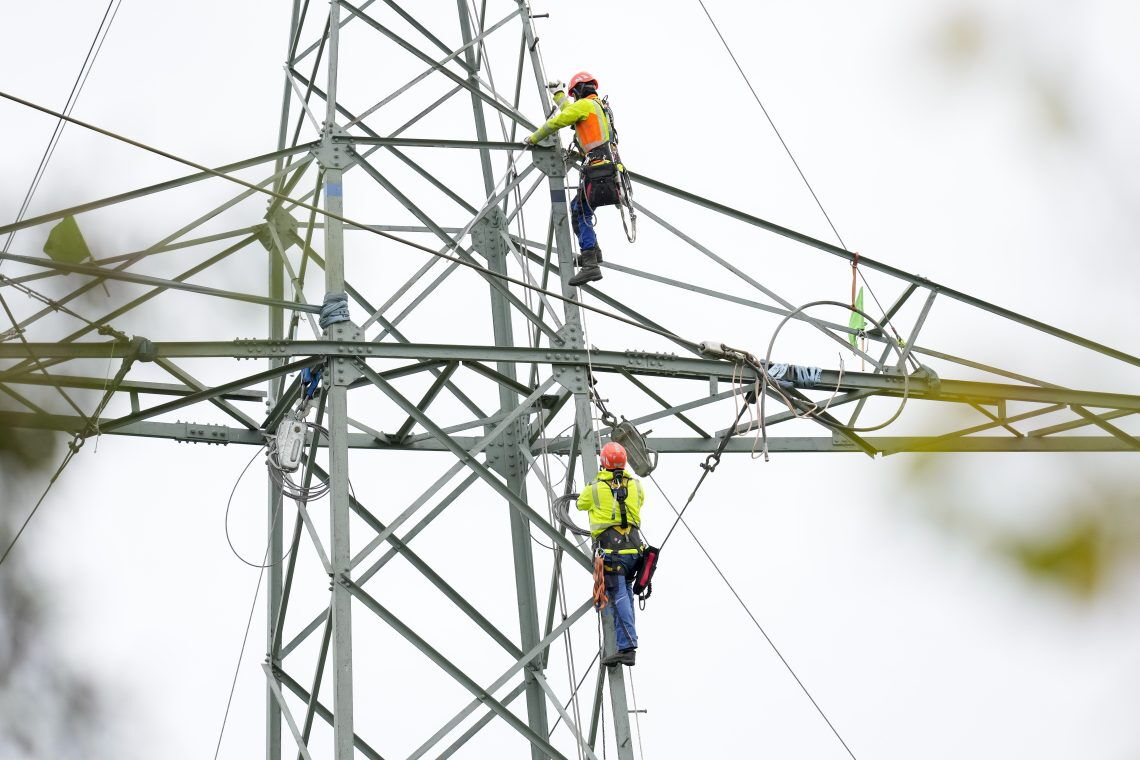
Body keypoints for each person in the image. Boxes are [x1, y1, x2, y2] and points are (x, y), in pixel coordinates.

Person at [526, 71, 617, 287]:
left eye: (573, 94)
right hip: (606, 169)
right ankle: (593, 253)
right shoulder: (597, 107)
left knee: (581, 211)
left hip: (597, 169)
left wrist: (533, 138)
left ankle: (590, 263)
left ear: (579, 91)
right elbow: (570, 112)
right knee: (579, 206)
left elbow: (557, 121)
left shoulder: (585, 105)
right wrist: (558, 94)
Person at [577, 441, 646, 666]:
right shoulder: (636, 485)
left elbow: (580, 504)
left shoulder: (595, 488)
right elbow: (640, 502)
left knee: (618, 597)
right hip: (635, 551)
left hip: (612, 553)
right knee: (624, 594)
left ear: (603, 463)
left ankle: (627, 646)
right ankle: (628, 641)